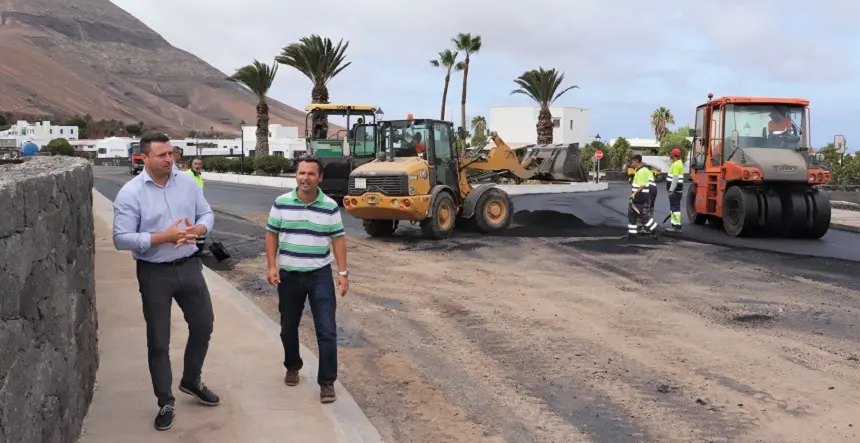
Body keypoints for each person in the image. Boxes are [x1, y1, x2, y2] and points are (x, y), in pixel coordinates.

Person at [112, 131, 219, 431]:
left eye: (172, 153)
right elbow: (121, 239)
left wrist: (198, 230)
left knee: (204, 326)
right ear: (144, 158)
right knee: (159, 340)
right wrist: (163, 237)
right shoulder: (130, 193)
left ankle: (190, 380)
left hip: (189, 268)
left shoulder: (186, 181)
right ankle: (165, 401)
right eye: (163, 155)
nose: (170, 159)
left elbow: (206, 212)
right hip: (154, 273)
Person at [265, 155, 349, 404]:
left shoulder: (330, 206)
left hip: (319, 275)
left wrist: (343, 273)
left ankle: (327, 382)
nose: (305, 178)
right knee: (288, 328)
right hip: (289, 276)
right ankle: (293, 366)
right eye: (302, 173)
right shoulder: (281, 203)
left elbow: (338, 239)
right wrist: (272, 266)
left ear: (320, 178)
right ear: (296, 175)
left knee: (327, 330)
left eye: (311, 174)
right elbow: (271, 235)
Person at [628, 154, 659, 238]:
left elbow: (643, 185)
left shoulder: (642, 171)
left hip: (646, 191)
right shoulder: (644, 170)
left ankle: (651, 228)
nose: (631, 164)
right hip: (650, 189)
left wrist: (634, 194)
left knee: (642, 211)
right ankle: (635, 232)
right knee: (638, 211)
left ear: (636, 162)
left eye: (632, 162)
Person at [186, 157, 207, 254]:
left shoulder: (199, 176)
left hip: (199, 206)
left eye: (199, 164)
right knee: (191, 228)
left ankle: (199, 249)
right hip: (190, 207)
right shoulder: (187, 175)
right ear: (192, 164)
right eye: (196, 164)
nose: (197, 166)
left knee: (201, 227)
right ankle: (192, 250)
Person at [665, 148, 685, 232]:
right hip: (677, 190)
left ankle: (677, 226)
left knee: (675, 208)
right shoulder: (678, 163)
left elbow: (675, 179)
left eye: (671, 153)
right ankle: (674, 225)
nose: (670, 154)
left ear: (674, 155)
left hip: (675, 191)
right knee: (673, 207)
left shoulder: (676, 164)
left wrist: (671, 190)